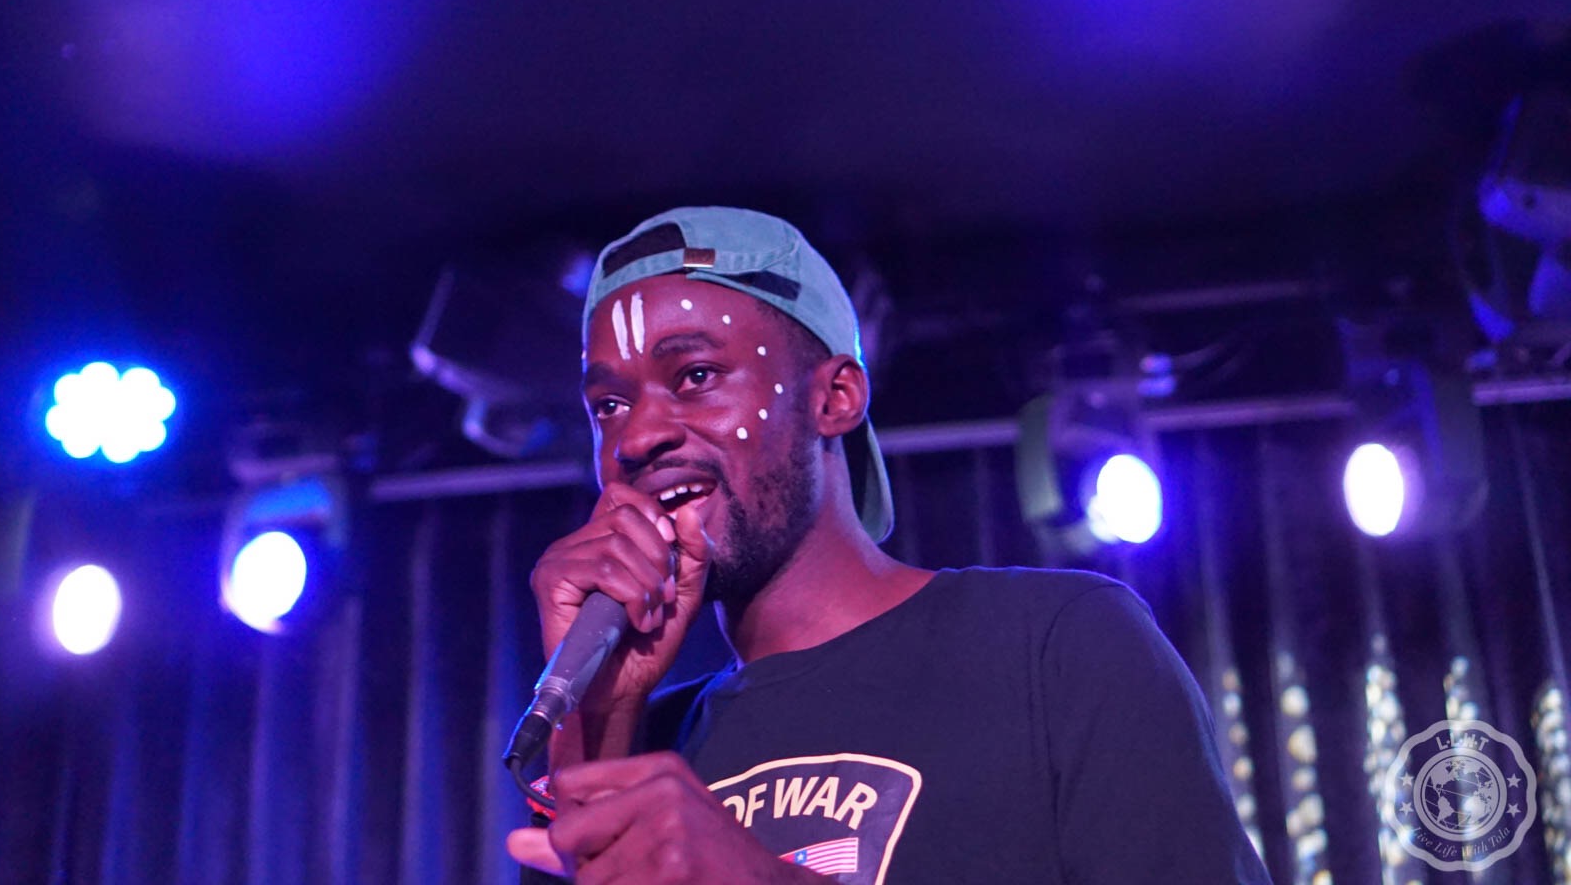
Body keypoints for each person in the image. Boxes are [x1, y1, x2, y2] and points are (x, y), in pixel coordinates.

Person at [507, 207, 1271, 884]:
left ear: (835, 398)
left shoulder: (1055, 642)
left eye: (697, 375)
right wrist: (600, 714)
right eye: (609, 405)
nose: (636, 436)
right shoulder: (643, 739)